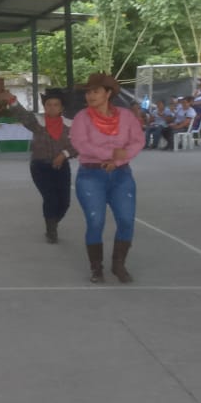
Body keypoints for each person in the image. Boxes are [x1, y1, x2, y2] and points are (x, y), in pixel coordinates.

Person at [70, 73, 145, 284]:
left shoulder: (126, 116)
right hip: (91, 175)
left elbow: (137, 141)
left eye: (96, 91)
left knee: (126, 220)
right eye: (88, 92)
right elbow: (81, 144)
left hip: (121, 175)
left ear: (108, 93)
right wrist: (111, 154)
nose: (90, 96)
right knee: (96, 221)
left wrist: (118, 160)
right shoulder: (81, 118)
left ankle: (118, 264)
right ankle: (96, 267)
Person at [1, 88, 77, 243]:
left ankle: (53, 221)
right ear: (44, 106)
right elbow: (22, 115)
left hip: (62, 167)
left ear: (62, 107)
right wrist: (12, 100)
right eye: (48, 104)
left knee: (64, 202)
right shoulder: (37, 122)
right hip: (40, 167)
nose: (52, 108)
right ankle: (51, 230)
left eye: (56, 105)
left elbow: (78, 145)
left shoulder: (71, 125)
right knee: (50, 198)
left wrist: (64, 154)